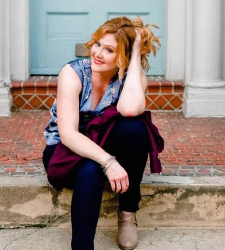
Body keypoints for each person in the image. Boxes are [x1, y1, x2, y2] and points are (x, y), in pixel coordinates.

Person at [43, 16, 161, 250]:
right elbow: (68, 134)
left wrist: (135, 53)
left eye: (109, 50)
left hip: (106, 143)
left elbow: (129, 109)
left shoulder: (132, 78)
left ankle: (127, 213)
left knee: (135, 128)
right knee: (90, 169)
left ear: (123, 57)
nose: (97, 53)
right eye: (98, 44)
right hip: (64, 149)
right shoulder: (73, 73)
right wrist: (108, 162)